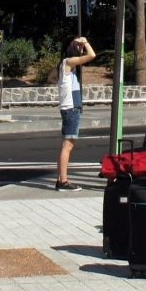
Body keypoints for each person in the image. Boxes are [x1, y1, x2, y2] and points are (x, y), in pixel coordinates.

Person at [55, 35, 95, 191]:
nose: (80, 48)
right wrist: (85, 41)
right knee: (68, 145)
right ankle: (63, 182)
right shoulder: (68, 62)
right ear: (70, 46)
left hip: (69, 107)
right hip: (71, 108)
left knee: (66, 145)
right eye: (77, 45)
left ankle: (60, 179)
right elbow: (91, 55)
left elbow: (51, 77)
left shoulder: (63, 64)